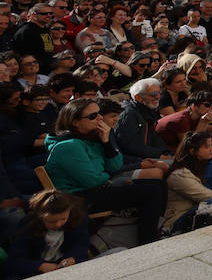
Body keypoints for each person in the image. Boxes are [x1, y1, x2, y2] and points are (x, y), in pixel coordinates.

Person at [43, 98, 166, 245]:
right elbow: (92, 180)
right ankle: (148, 240)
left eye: (99, 114)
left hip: (97, 187)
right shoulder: (69, 146)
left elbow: (115, 165)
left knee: (158, 184)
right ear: (75, 122)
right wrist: (108, 175)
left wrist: (107, 142)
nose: (100, 118)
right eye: (92, 116)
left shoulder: (91, 138)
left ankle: (155, 230)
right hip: (78, 197)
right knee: (152, 191)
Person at [4, 190, 90, 280]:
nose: (58, 224)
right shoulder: (27, 227)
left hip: (67, 265)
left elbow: (82, 244)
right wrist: (40, 266)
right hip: (36, 272)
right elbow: (15, 260)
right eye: (52, 221)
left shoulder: (77, 220)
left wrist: (73, 258)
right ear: (40, 216)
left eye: (63, 219)